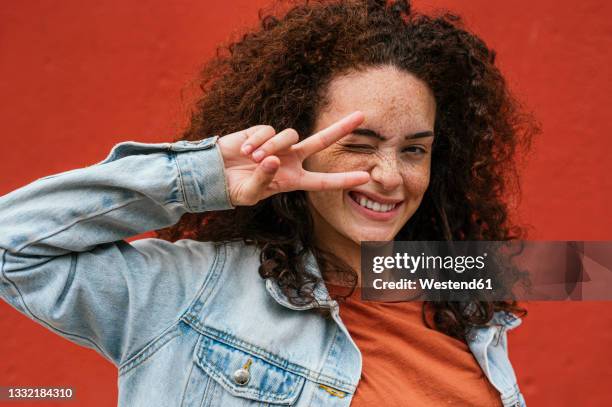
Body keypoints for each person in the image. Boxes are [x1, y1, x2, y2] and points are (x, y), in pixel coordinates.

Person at [0, 0, 535, 406]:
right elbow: (12, 245)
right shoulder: (192, 292)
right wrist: (203, 175)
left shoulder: (458, 278)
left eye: (414, 149)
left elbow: (587, 268)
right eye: (359, 144)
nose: (391, 178)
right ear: (293, 139)